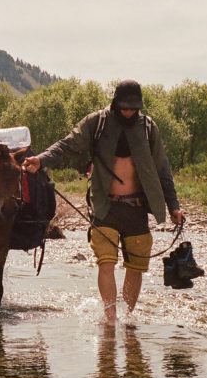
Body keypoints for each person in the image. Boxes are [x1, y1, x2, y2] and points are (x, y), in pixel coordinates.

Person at [23, 80, 184, 323]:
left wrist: (173, 206)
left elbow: (163, 169)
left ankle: (127, 318)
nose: (129, 111)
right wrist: (42, 159)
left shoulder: (149, 128)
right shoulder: (96, 123)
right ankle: (111, 319)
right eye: (125, 107)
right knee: (106, 263)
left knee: (135, 267)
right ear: (115, 102)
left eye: (134, 107)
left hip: (137, 208)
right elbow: (67, 145)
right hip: (104, 205)